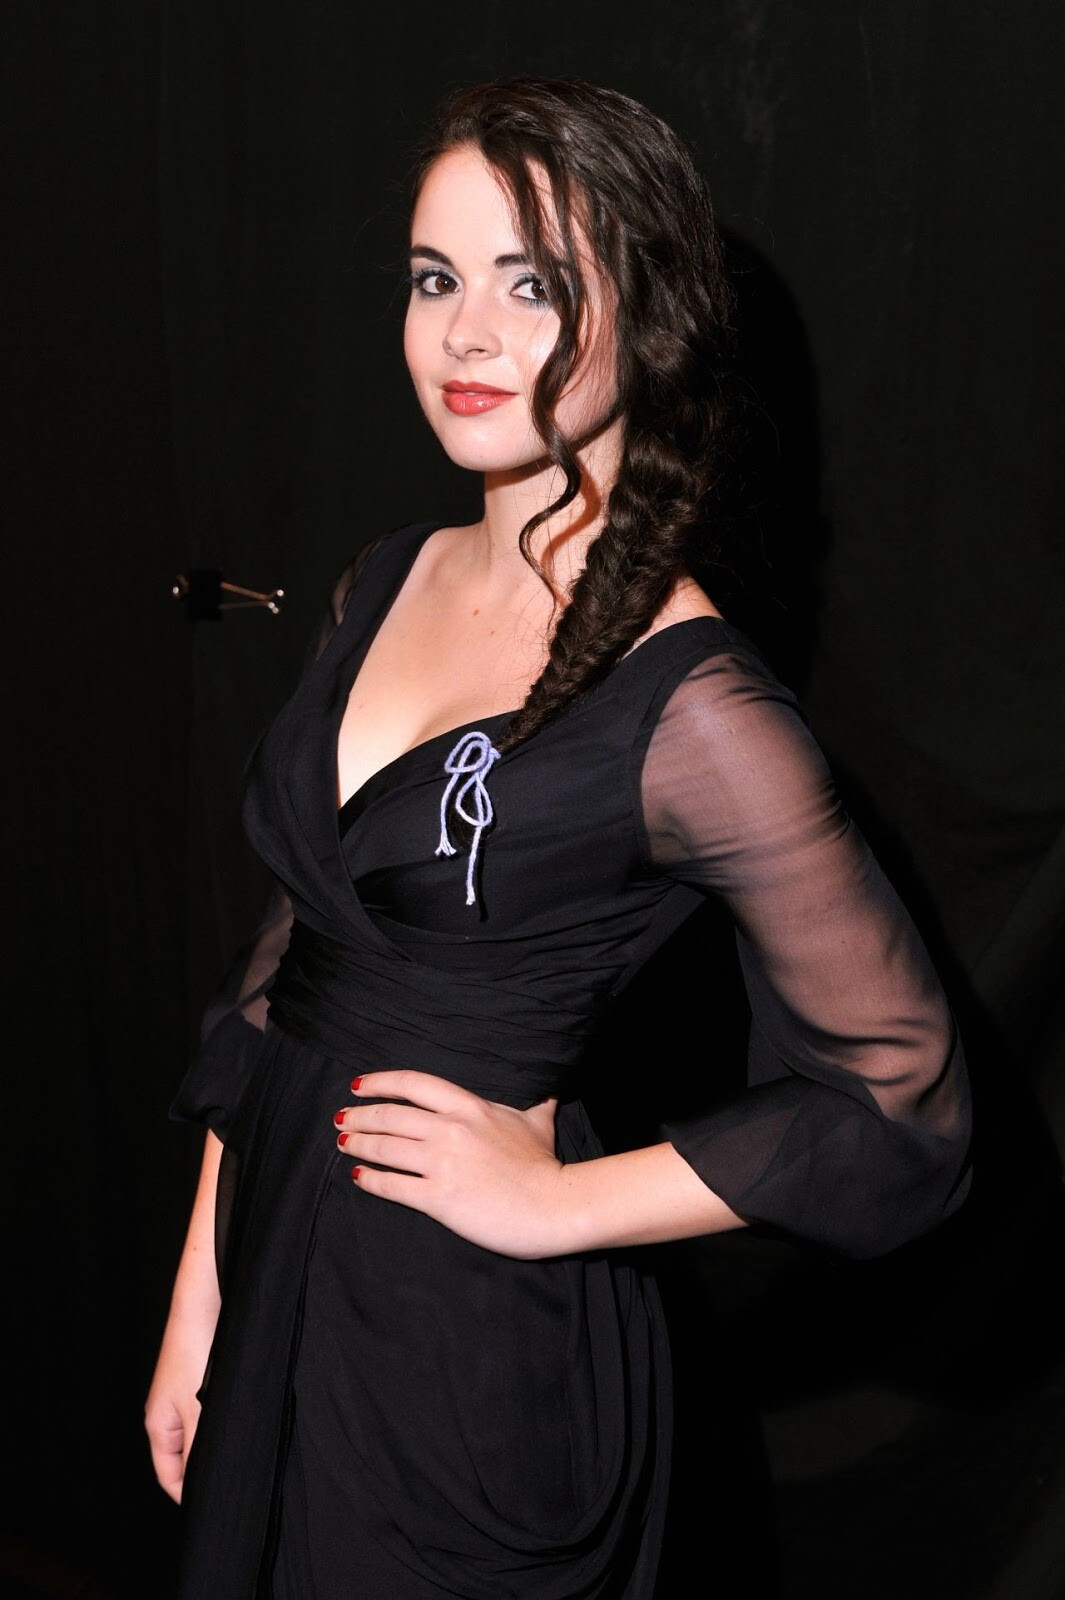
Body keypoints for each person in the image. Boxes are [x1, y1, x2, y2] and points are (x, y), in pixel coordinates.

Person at [145, 76, 972, 1599]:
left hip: (468, 1367)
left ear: (646, 316)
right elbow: (289, 970)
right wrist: (202, 1288)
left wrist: (554, 1201)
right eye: (433, 279)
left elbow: (897, 1106)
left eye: (530, 286)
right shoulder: (383, 579)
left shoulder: (692, 704)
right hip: (277, 1278)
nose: (464, 334)